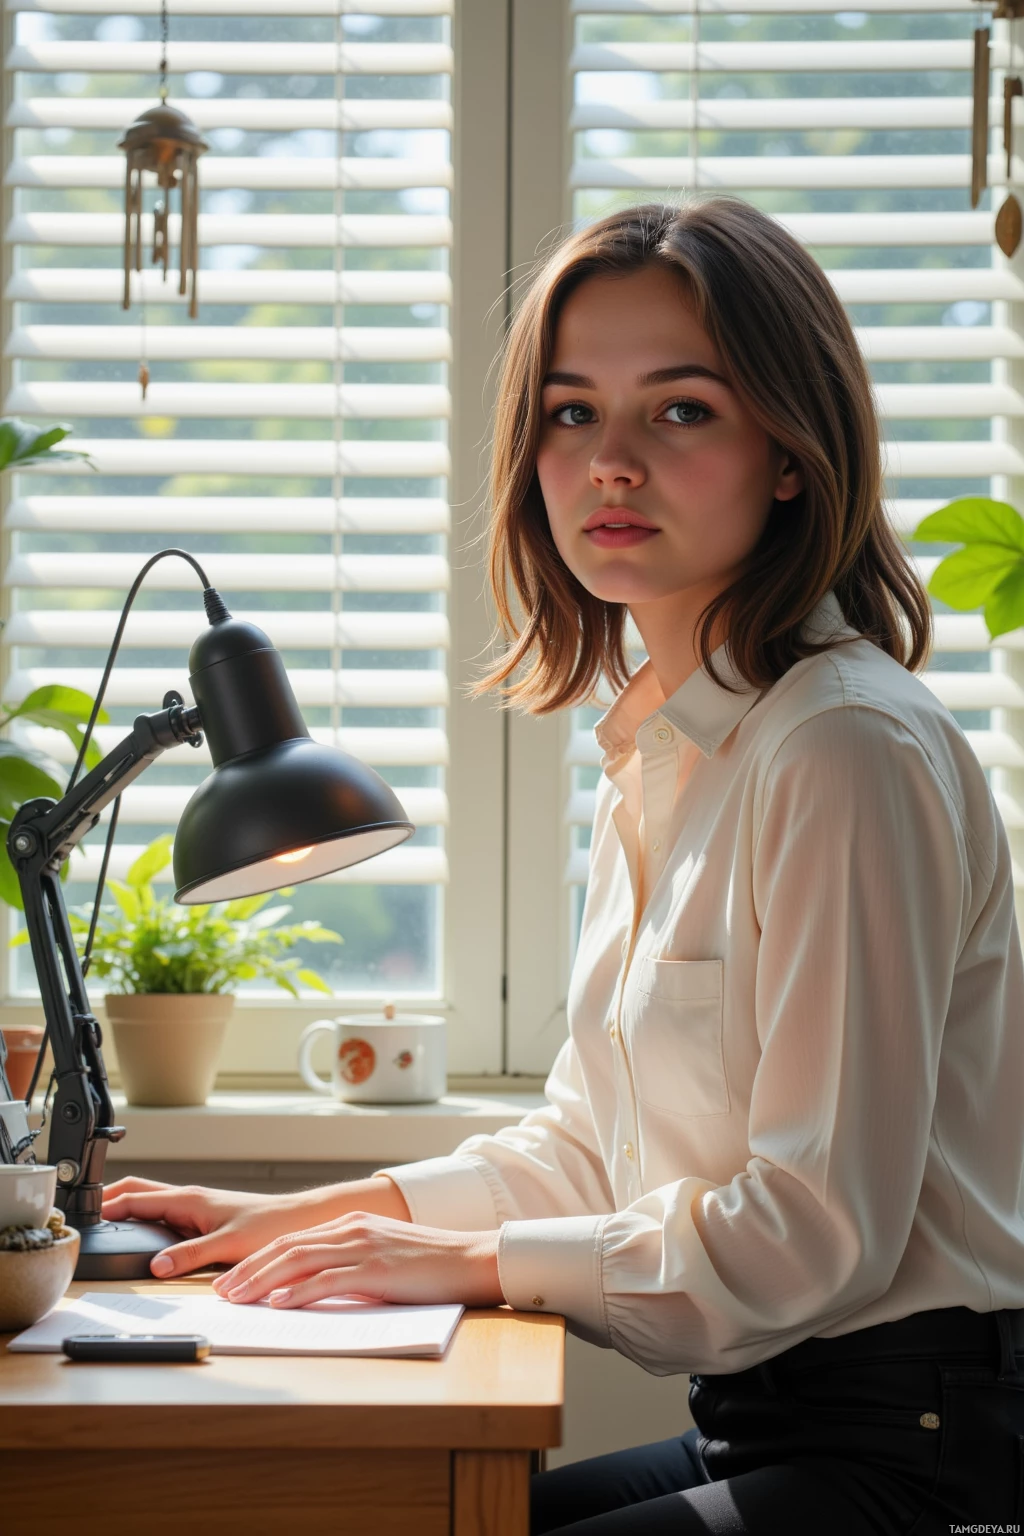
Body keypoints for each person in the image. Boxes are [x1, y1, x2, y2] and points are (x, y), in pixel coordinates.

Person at [101, 198, 1024, 1533]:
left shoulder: (844, 751)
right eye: (573, 411)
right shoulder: (672, 744)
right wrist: (312, 1215)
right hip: (767, 1420)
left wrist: (465, 1263)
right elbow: (597, 1147)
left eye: (684, 409)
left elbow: (819, 1229)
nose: (612, 464)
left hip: (915, 1453)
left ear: (791, 452)